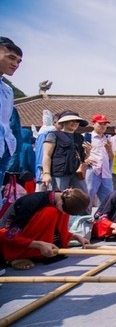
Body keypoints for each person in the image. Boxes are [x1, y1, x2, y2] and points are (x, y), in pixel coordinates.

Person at [0, 188, 90, 270]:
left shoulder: (58, 200)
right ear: (62, 202)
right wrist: (39, 244)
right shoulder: (31, 202)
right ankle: (18, 256)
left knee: (57, 212)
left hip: (25, 234)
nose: (64, 213)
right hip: (6, 237)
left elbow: (56, 228)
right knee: (50, 212)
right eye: (65, 209)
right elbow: (10, 236)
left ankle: (39, 251)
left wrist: (76, 237)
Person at [41, 111, 89, 194]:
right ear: (64, 122)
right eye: (72, 120)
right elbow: (46, 155)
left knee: (83, 197)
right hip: (59, 173)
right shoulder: (53, 135)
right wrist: (46, 173)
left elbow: (83, 159)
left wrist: (88, 152)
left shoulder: (80, 137)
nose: (75, 123)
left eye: (77, 121)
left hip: (76, 174)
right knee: (59, 198)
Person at [0, 37, 23, 201]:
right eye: (11, 57)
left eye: (19, 61)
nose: (15, 64)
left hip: (4, 148)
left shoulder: (8, 90)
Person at [34, 111, 60, 192]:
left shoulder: (59, 134)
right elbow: (41, 154)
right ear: (54, 122)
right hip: (44, 172)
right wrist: (43, 171)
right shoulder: (46, 133)